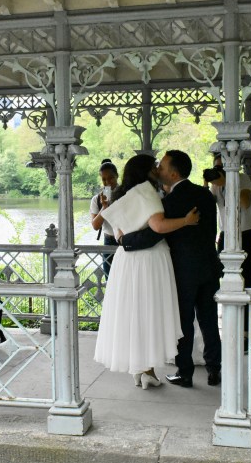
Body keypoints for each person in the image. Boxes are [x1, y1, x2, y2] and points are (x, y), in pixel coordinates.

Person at [95, 154, 199, 389]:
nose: (157, 170)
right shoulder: (147, 192)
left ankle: (141, 369)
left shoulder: (121, 195)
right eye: (154, 167)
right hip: (149, 260)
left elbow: (119, 233)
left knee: (134, 313)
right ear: (146, 171)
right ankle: (147, 369)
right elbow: (158, 226)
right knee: (149, 313)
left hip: (126, 261)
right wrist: (186, 221)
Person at [121, 150, 222, 388]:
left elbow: (152, 235)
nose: (158, 170)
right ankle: (214, 370)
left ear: (174, 174)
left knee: (184, 322)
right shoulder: (205, 195)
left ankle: (185, 373)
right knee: (208, 320)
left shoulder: (169, 202)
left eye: (162, 167)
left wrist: (125, 241)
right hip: (209, 266)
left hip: (183, 270)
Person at [206, 153, 251, 343]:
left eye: (223, 167)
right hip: (225, 236)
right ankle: (223, 330)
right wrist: (207, 183)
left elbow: (245, 203)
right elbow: (206, 205)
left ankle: (244, 333)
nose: (220, 171)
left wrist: (227, 183)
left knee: (244, 285)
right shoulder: (216, 185)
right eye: (217, 167)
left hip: (246, 235)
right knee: (218, 281)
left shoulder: (241, 178)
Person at [90, 159, 119, 277]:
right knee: (109, 278)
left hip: (126, 240)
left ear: (117, 176)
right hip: (109, 240)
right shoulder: (97, 199)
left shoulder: (126, 194)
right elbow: (95, 226)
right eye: (104, 179)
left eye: (111, 178)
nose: (107, 182)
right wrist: (104, 207)